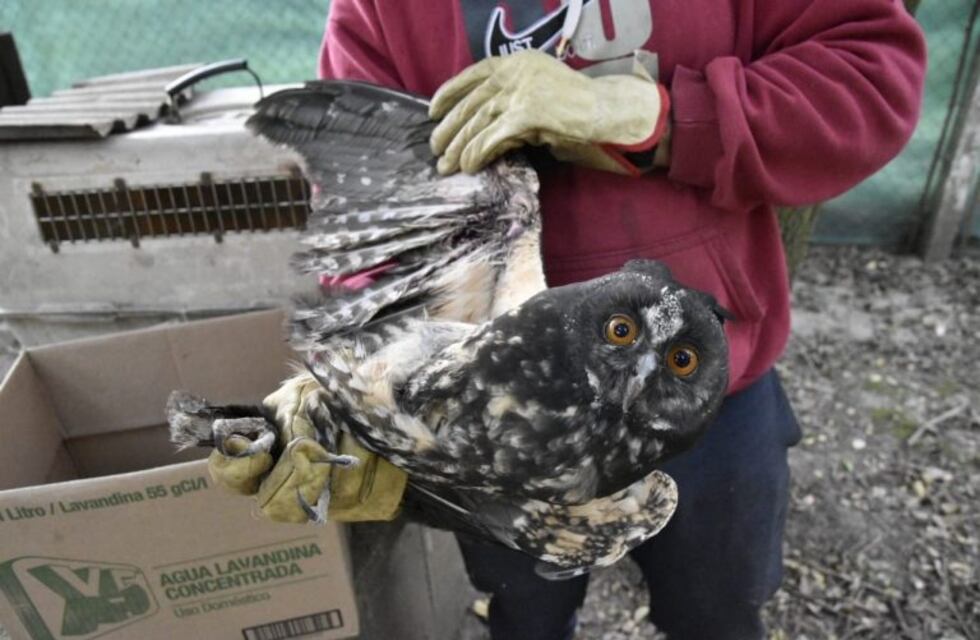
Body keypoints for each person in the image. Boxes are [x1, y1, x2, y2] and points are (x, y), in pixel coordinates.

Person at [316, 1, 926, 638]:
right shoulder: (380, 11)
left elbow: (869, 75)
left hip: (708, 394)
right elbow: (364, 216)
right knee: (527, 616)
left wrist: (662, 118)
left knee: (716, 611)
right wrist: (379, 385)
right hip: (499, 414)